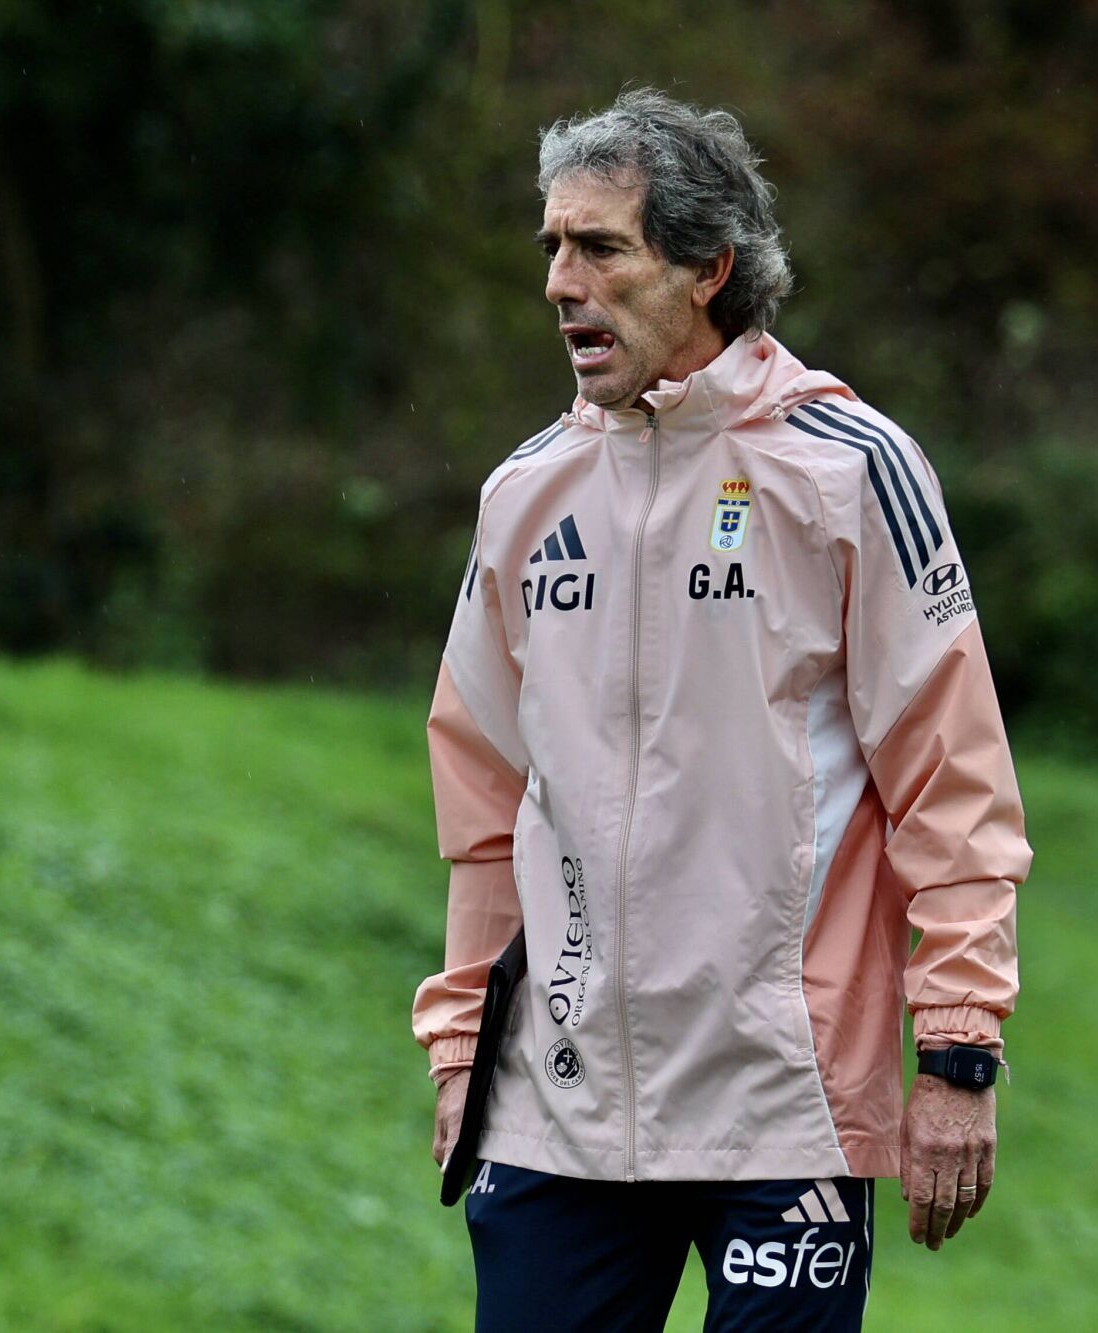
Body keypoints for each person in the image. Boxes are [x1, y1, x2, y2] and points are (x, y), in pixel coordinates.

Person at [410, 89, 1033, 1331]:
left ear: (708, 268)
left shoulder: (849, 468)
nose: (560, 283)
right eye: (551, 247)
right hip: (559, 1109)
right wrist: (462, 1041)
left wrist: (957, 1045)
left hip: (780, 1107)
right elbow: (483, 802)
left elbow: (950, 782)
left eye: (600, 248)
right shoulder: (522, 494)